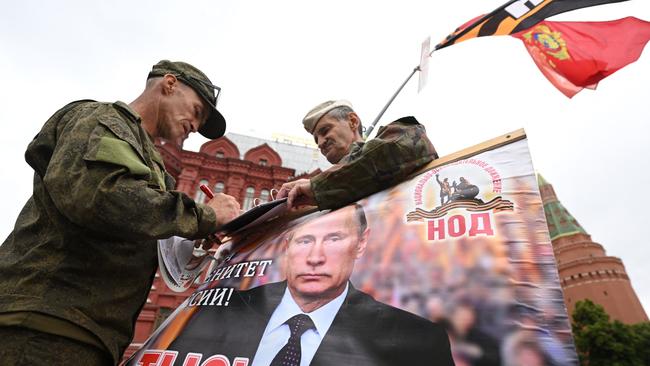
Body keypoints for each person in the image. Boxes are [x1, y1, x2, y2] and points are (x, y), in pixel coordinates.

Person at [0, 60, 241, 365]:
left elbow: (134, 229)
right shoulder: (103, 120)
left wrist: (193, 242)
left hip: (87, 332)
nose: (196, 126)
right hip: (44, 323)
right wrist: (204, 216)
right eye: (196, 111)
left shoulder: (150, 160)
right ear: (169, 85)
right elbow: (100, 197)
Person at [164, 204, 454, 366]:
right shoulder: (224, 311)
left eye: (334, 239)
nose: (316, 258)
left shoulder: (415, 339)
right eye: (305, 241)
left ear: (361, 243)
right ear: (286, 246)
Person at [277, 100, 438, 209]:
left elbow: (403, 146)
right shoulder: (325, 194)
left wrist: (316, 187)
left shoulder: (399, 136)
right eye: (316, 139)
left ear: (353, 121)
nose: (320, 143)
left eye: (325, 131)